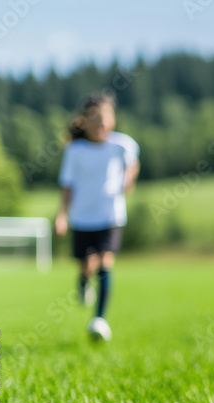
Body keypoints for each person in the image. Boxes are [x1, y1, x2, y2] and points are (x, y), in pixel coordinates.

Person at [55, 92, 141, 341]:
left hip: (110, 215)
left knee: (105, 261)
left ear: (113, 120)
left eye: (105, 117)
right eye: (95, 118)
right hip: (82, 217)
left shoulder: (122, 144)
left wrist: (128, 179)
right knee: (86, 264)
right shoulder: (75, 150)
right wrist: (62, 215)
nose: (101, 123)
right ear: (84, 121)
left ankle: (99, 319)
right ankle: (83, 283)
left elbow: (133, 162)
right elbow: (67, 185)